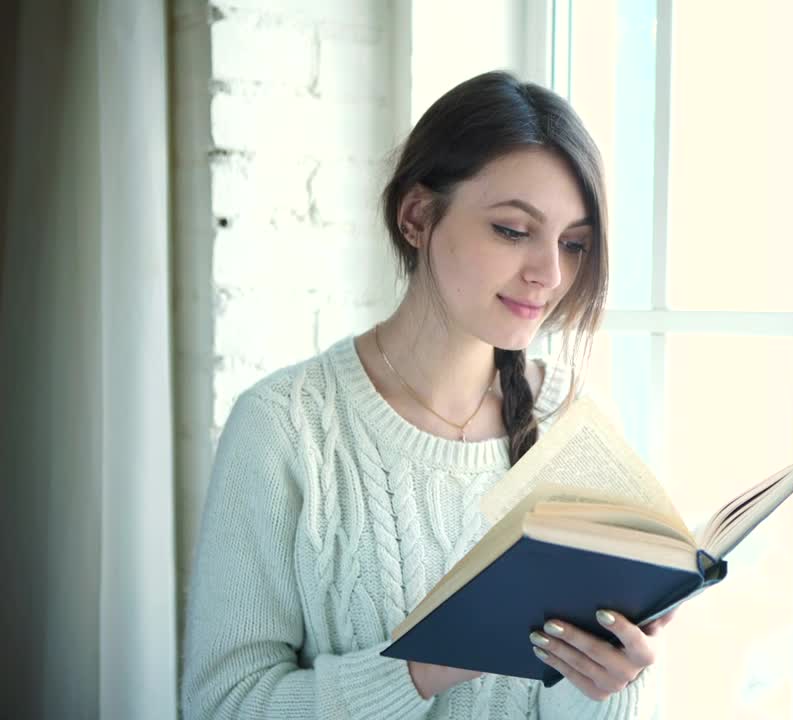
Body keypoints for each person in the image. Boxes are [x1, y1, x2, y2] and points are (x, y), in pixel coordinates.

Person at [181, 70, 672, 719]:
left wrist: (608, 682)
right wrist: (430, 663)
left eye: (573, 244)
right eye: (512, 230)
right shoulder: (285, 428)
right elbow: (223, 703)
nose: (549, 274)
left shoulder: (572, 421)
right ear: (417, 216)